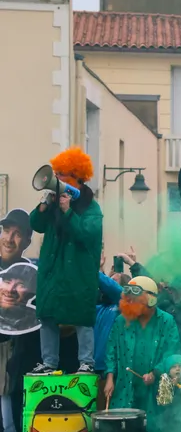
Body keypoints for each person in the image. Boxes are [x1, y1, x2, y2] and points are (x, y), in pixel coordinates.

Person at [30, 147, 103, 374]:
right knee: (48, 314)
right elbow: (36, 225)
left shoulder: (91, 207)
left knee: (81, 316)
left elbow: (87, 234)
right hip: (53, 272)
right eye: (56, 173)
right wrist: (43, 207)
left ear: (76, 176)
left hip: (78, 274)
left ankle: (86, 362)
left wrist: (68, 211)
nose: (56, 178)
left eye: (61, 173)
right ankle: (49, 362)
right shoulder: (52, 203)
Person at [104, 276, 180, 412]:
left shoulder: (167, 321)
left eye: (135, 299)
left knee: (153, 427)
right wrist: (110, 378)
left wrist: (154, 373)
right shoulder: (122, 320)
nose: (130, 303)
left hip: (155, 390)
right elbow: (111, 350)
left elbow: (171, 352)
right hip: (125, 388)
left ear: (151, 299)